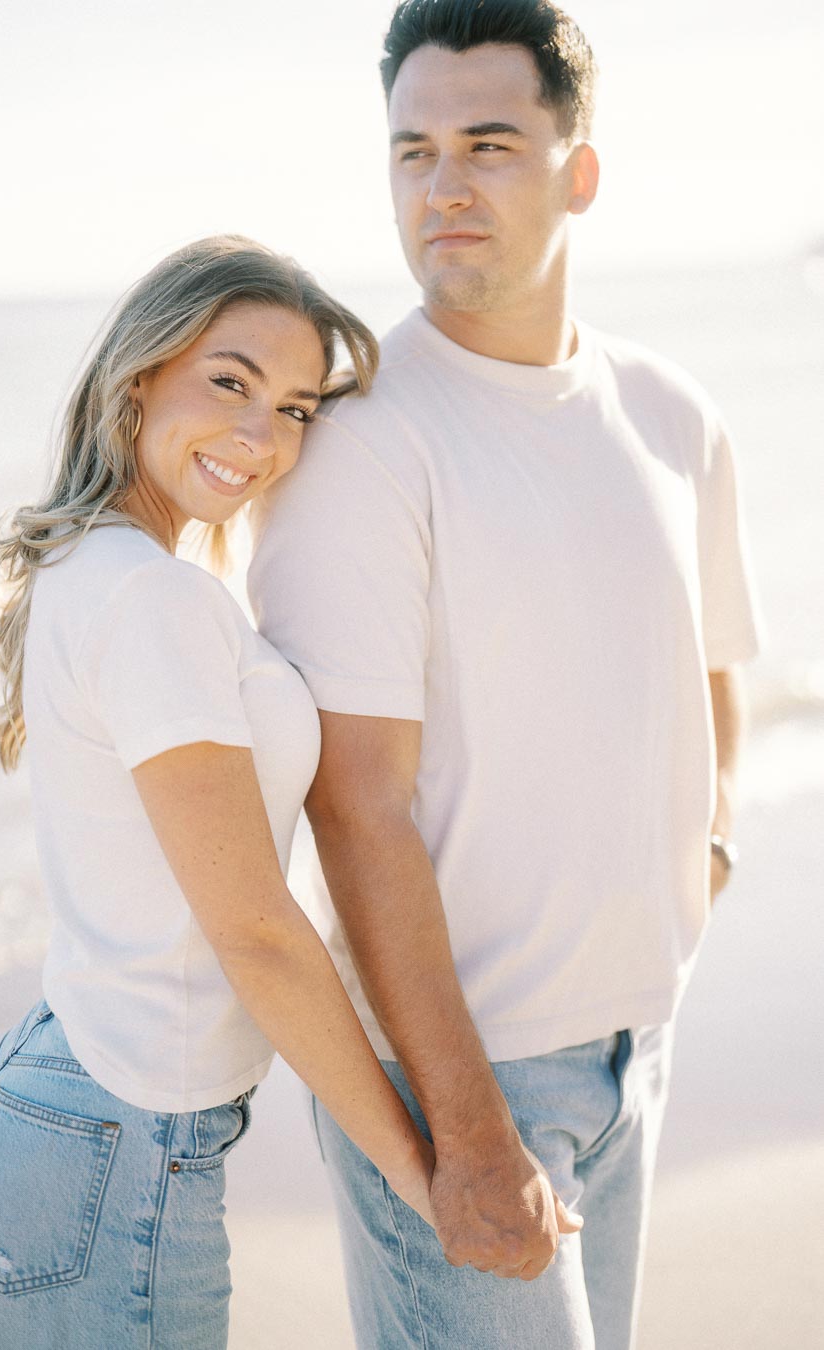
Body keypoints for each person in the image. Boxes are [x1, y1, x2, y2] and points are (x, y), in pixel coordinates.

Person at [248, 3, 761, 1347]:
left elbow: (712, 673)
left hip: (637, 1046)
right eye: (413, 151)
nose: (445, 185)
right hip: (457, 1082)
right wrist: (469, 1131)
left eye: (488, 143)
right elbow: (357, 805)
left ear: (578, 169)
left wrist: (702, 864)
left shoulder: (672, 413)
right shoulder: (364, 447)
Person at [0, 235, 436, 1349]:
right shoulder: (150, 599)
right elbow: (256, 930)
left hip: (67, 1101)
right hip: (113, 1138)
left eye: (300, 409)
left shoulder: (95, 566)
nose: (262, 438)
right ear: (141, 373)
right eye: (231, 382)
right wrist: (414, 1162)